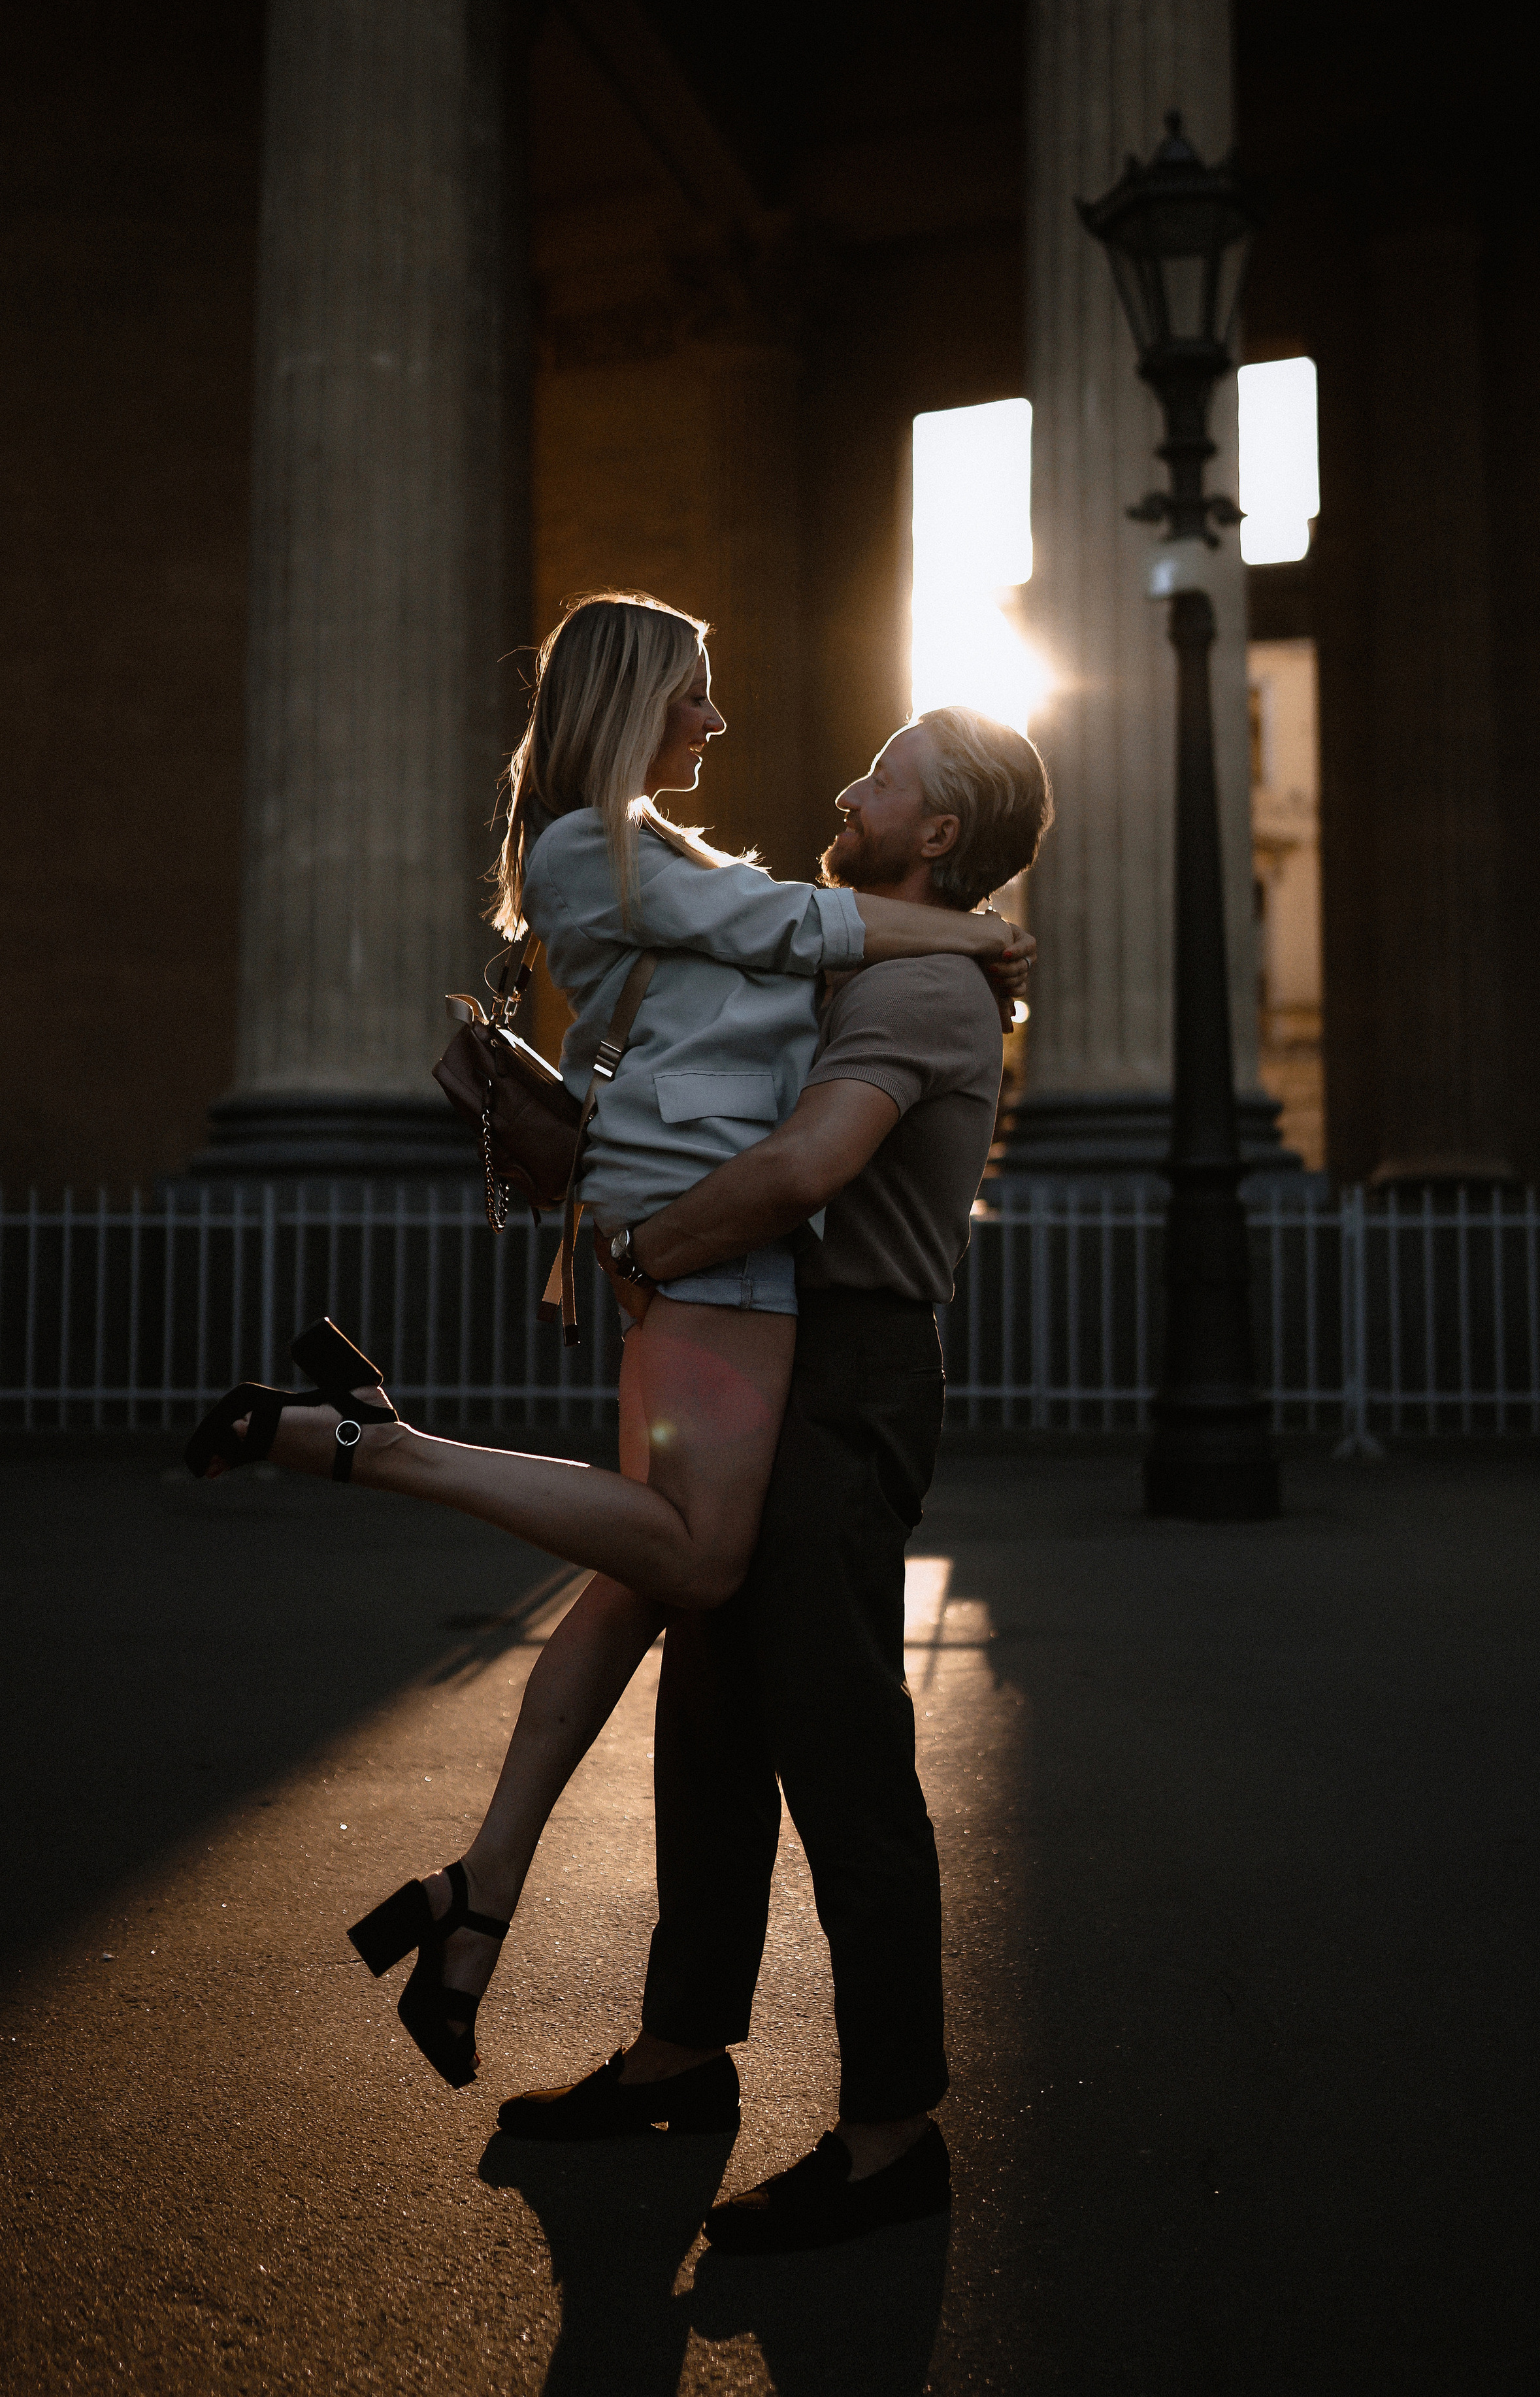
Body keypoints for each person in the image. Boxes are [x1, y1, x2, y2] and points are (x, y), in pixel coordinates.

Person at [184, 591, 1031, 2089]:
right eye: (694, 693)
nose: (731, 729)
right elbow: (779, 943)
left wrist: (948, 949)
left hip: (802, 1322)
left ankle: (498, 1904)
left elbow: (779, 1077)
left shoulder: (857, 952)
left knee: (701, 1638)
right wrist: (959, 931)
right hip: (724, 1268)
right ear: (635, 697)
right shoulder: (611, 848)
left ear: (942, 826)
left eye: (880, 777)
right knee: (692, 1614)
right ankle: (372, 1445)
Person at [494, 703, 1055, 2259]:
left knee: (838, 1742)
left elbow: (806, 1166)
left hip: (842, 1368)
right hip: (775, 1350)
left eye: (881, 780)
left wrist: (645, 1245)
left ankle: (890, 2134)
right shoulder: (874, 955)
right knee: (714, 1718)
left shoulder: (924, 983)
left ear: (933, 837)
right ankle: (680, 2052)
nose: (843, 787)